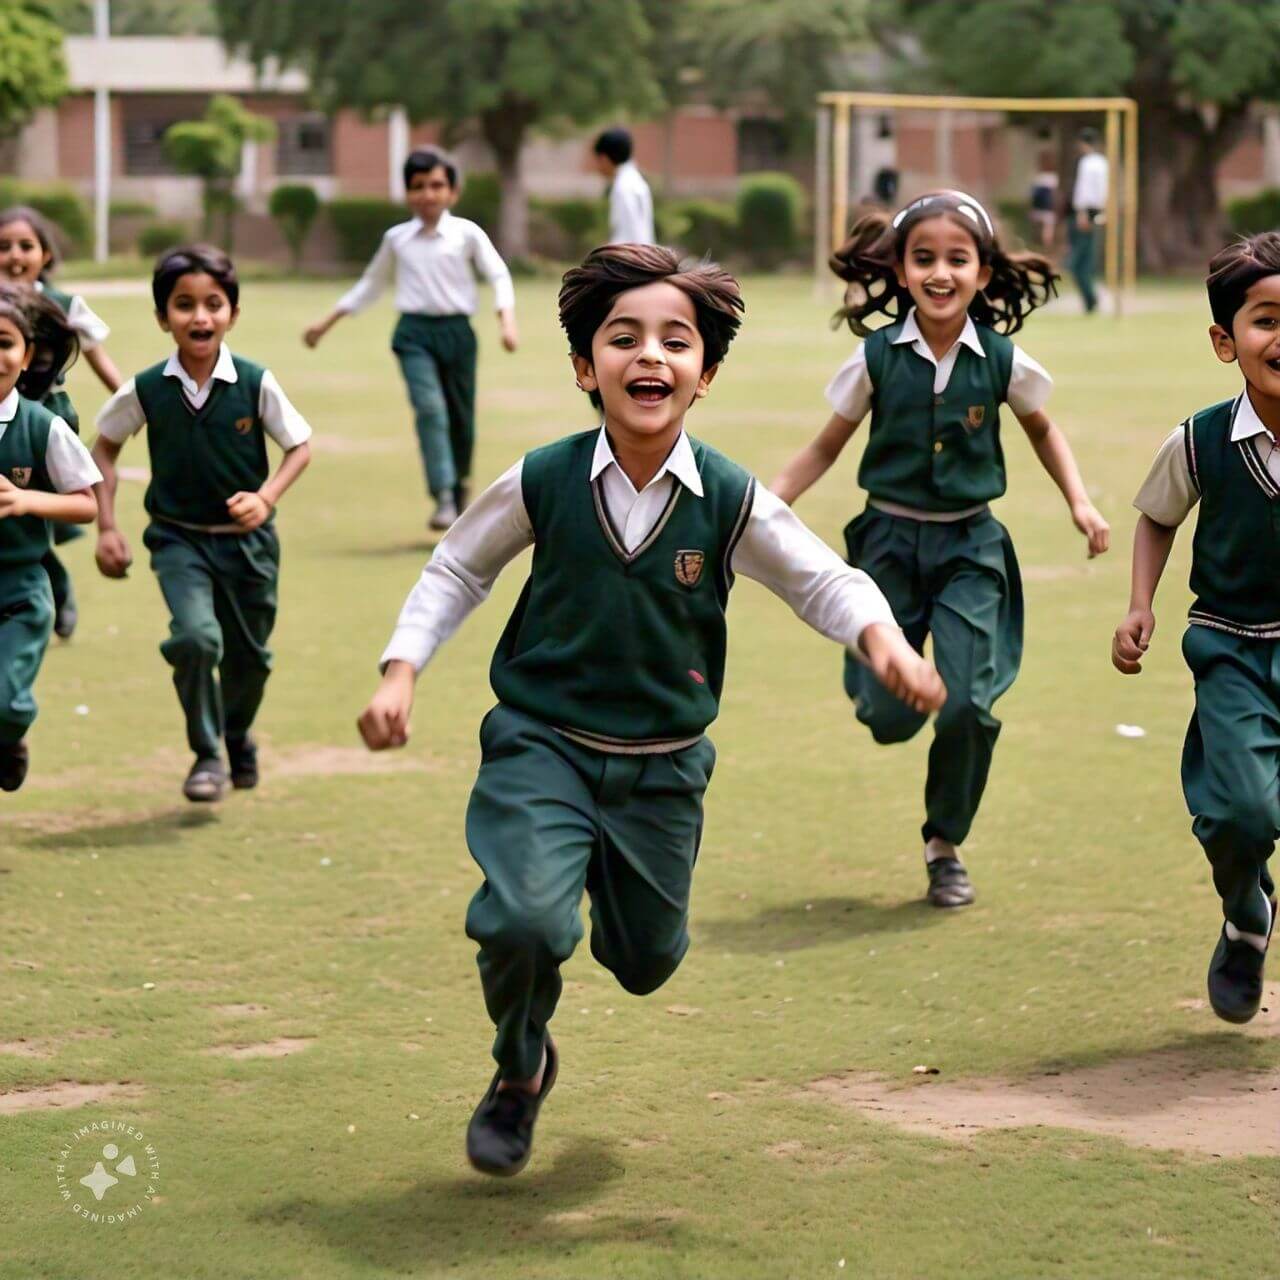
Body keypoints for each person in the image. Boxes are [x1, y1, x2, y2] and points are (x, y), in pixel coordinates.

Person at [358, 243, 944, 1177]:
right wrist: (402, 670)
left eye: (677, 341)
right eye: (623, 338)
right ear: (585, 368)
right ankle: (520, 1069)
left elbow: (823, 580)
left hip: (662, 766)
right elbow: (459, 565)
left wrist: (882, 643)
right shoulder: (543, 479)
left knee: (645, 962)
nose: (651, 357)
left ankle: (597, 887)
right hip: (539, 745)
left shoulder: (730, 498)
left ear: (704, 374)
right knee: (524, 925)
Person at [772, 191, 1110, 909]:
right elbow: (825, 446)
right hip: (886, 550)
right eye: (923, 258)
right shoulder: (872, 360)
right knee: (891, 719)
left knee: (968, 706)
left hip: (970, 548)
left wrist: (1079, 501)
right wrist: (767, 507)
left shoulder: (1004, 361)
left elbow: (1044, 431)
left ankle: (944, 845)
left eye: (958, 259)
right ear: (898, 269)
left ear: (983, 273)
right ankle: (874, 679)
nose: (940, 272)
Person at [1113, 231, 1280, 1025]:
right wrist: (1141, 605)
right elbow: (1155, 517)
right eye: (1266, 319)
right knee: (1239, 817)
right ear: (1225, 340)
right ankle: (1247, 918)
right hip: (1232, 646)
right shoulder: (1201, 440)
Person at [91, 246, 313, 803]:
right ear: (164, 317)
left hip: (249, 546)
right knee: (194, 640)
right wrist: (107, 527)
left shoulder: (255, 383)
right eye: (184, 305)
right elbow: (104, 449)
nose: (200, 317)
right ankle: (207, 752)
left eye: (213, 304)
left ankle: (237, 734)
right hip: (178, 540)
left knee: (250, 659)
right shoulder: (145, 389)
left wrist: (265, 498)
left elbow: (299, 447)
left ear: (232, 314)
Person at [303, 148, 517, 531]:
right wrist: (326, 322)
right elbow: (371, 284)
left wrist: (506, 321)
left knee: (459, 418)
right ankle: (443, 496)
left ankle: (458, 484)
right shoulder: (397, 239)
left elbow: (497, 274)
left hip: (458, 334)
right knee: (430, 410)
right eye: (418, 187)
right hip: (414, 335)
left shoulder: (467, 234)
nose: (427, 194)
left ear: (452, 192)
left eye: (436, 185)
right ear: (407, 193)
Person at [0, 206, 123, 640]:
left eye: (26, 245)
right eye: (4, 246)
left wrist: (135, 404)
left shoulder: (66, 306)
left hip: (45, 420)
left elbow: (99, 358)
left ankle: (54, 589)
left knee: (43, 514)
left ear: (46, 254)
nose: (14, 255)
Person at [0, 284, 101, 792]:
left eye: (3, 342)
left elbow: (86, 503)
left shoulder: (43, 427)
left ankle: (11, 731)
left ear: (28, 354)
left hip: (19, 590)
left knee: (2, 702)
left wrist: (26, 500)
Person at [1066, 127, 1108, 314]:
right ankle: (1090, 299)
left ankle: (1091, 299)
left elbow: (1084, 191)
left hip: (1086, 211)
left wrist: (1082, 213)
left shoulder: (1088, 163)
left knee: (1077, 263)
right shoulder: (1102, 162)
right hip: (1097, 211)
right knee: (1086, 260)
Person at [592, 127, 655, 246]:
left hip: (631, 259)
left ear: (604, 158)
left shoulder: (623, 187)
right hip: (643, 256)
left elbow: (627, 235)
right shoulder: (635, 180)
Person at [1028, 150, 1059, 250]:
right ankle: (1047, 245)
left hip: (1038, 206)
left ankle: (1038, 244)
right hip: (1048, 207)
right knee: (1048, 228)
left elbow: (1032, 194)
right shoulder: (1053, 178)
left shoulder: (1038, 177)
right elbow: (1054, 195)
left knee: (1039, 227)